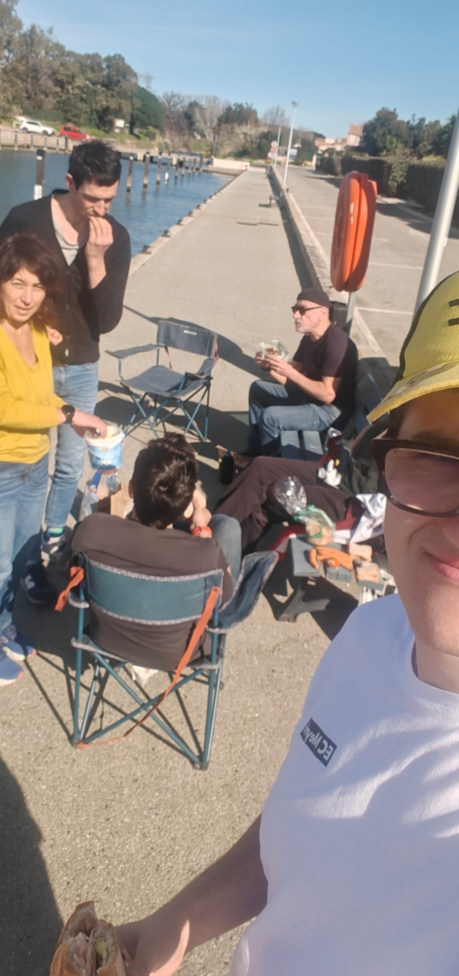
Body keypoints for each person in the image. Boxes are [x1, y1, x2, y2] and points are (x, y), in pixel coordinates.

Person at [116, 271, 459, 975]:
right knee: (264, 462)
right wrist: (171, 924)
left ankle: (214, 543)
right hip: (325, 477)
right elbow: (307, 832)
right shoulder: (369, 638)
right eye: (434, 456)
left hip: (327, 482)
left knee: (267, 475)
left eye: (307, 307)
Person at [0, 141, 131, 568]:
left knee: (70, 463)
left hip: (82, 363)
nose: (101, 209)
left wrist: (96, 261)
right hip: (29, 361)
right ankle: (13, 545)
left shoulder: (116, 237)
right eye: (92, 198)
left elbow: (107, 320)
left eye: (109, 200)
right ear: (70, 182)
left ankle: (52, 536)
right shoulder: (25, 219)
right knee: (25, 454)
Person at [0, 234, 106, 688]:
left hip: (33, 464)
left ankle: (5, 625)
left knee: (23, 555)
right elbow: (6, 408)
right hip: (3, 468)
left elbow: (43, 395)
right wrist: (69, 415)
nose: (27, 297)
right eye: (17, 283)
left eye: (37, 286)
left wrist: (73, 417)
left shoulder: (39, 332)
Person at [60, 434, 241, 672]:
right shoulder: (205, 554)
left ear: (131, 488)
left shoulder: (91, 530)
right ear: (186, 505)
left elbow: (68, 574)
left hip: (106, 639)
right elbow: (224, 600)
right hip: (182, 653)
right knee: (228, 526)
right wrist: (201, 528)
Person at [216, 420, 385, 552]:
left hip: (354, 502)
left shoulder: (400, 445)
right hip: (337, 475)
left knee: (275, 496)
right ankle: (212, 531)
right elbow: (356, 445)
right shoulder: (391, 421)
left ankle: (223, 555)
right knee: (261, 466)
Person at [246, 287, 357, 455]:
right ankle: (253, 452)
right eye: (295, 309)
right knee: (258, 388)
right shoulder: (309, 337)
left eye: (303, 310)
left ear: (323, 312)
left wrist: (290, 372)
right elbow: (290, 380)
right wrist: (269, 366)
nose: (296, 316)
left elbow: (328, 395)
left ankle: (270, 463)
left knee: (271, 417)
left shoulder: (337, 344)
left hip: (330, 411)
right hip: (309, 397)